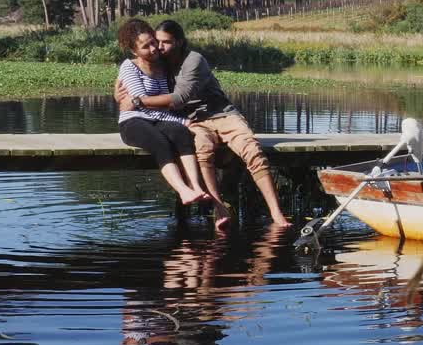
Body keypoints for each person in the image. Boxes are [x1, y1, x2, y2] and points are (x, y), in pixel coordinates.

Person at [115, 20, 291, 230]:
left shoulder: (193, 60)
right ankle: (219, 209)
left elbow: (179, 98)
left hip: (222, 115)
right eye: (155, 42)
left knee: (252, 150)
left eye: (165, 43)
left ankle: (276, 212)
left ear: (180, 42)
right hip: (195, 120)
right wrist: (118, 95)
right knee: (203, 150)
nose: (158, 48)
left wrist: (137, 101)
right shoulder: (157, 61)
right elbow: (131, 76)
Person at [114, 18, 211, 206]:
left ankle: (196, 187)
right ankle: (183, 191)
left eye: (153, 42)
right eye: (145, 47)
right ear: (134, 51)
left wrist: (181, 124)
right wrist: (182, 120)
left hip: (158, 118)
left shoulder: (163, 66)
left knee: (181, 134)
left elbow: (162, 104)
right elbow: (143, 106)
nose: (153, 49)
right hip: (133, 121)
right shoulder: (129, 67)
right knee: (160, 142)